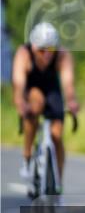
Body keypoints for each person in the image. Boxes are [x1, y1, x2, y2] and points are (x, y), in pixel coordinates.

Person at [12, 22, 80, 185]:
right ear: (33, 47)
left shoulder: (62, 55)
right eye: (42, 50)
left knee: (57, 135)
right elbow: (19, 83)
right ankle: (27, 156)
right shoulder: (24, 54)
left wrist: (71, 101)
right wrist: (20, 102)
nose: (47, 55)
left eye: (50, 49)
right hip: (32, 88)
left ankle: (58, 183)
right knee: (35, 104)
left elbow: (68, 82)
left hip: (52, 89)